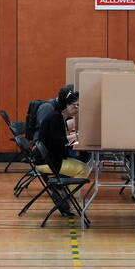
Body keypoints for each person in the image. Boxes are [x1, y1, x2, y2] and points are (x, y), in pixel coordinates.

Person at [35, 87, 90, 215]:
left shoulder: (58, 116)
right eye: (75, 106)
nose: (77, 109)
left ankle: (65, 195)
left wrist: (73, 140)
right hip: (48, 162)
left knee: (82, 165)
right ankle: (68, 198)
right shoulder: (56, 118)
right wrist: (76, 137)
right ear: (66, 105)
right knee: (84, 169)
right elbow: (57, 141)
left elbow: (58, 141)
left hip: (51, 158)